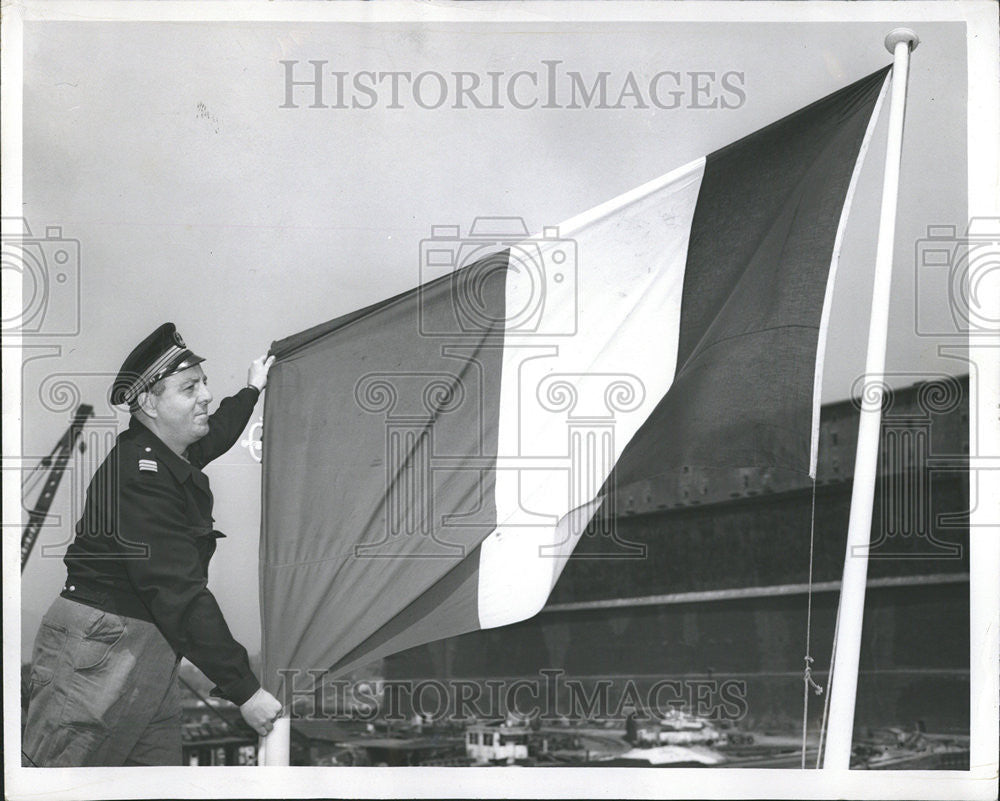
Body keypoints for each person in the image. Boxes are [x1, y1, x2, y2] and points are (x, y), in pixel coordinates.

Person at [22, 323, 283, 767]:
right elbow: (177, 592)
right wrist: (245, 690)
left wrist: (251, 390)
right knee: (61, 787)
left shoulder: (164, 450)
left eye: (204, 382)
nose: (204, 395)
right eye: (189, 388)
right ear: (148, 403)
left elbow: (215, 431)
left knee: (154, 785)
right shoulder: (139, 477)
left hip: (148, 647)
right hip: (100, 652)